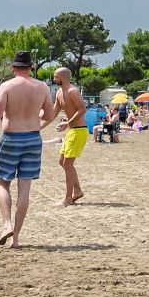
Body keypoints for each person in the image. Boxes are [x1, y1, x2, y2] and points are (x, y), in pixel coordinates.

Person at [0, 49, 58, 248]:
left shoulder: (7, 86)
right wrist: (35, 123)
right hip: (33, 139)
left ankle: (7, 224)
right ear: (31, 67)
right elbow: (50, 115)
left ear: (13, 68)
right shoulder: (42, 87)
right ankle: (16, 238)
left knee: (3, 184)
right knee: (25, 188)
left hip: (11, 138)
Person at [52, 66, 87, 207]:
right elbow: (53, 113)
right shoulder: (59, 93)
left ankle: (68, 198)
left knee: (68, 164)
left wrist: (68, 123)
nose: (54, 79)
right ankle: (77, 190)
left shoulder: (73, 91)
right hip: (72, 130)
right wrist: (38, 124)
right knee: (62, 162)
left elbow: (82, 109)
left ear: (63, 78)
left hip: (79, 130)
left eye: (56, 77)